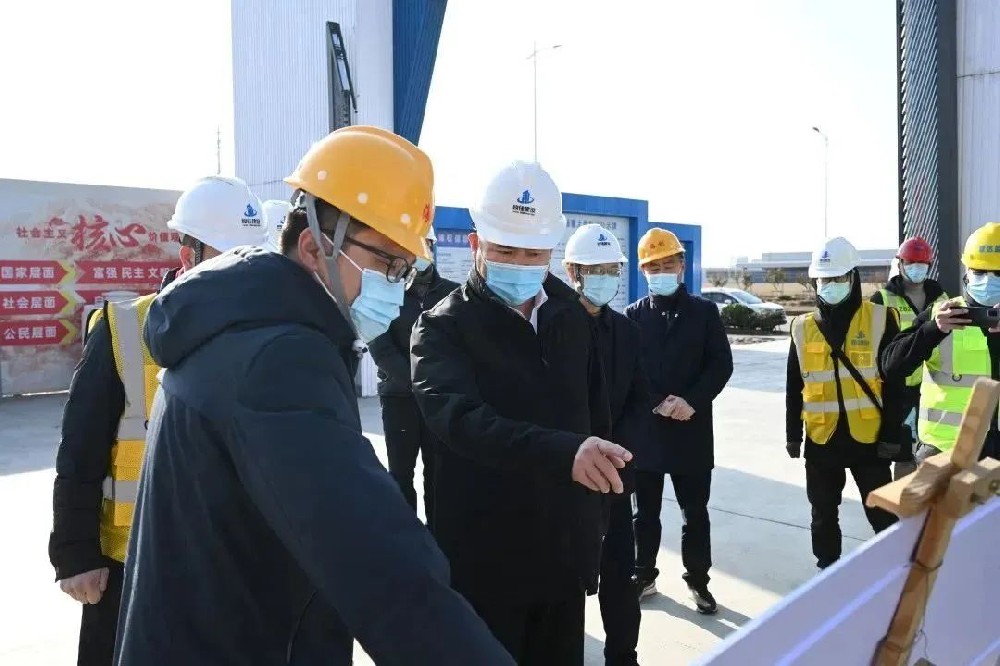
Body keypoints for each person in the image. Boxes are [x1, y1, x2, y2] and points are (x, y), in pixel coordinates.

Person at [113, 126, 513, 666]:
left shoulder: (242, 329)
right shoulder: (277, 362)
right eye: (387, 264)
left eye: (405, 270)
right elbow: (381, 565)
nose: (396, 288)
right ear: (314, 247)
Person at [410, 160, 633, 664]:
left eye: (533, 253)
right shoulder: (442, 328)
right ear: (475, 244)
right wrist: (564, 453)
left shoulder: (570, 316)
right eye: (505, 250)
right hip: (486, 557)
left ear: (552, 249)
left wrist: (596, 517)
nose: (520, 263)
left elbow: (594, 414)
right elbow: (460, 421)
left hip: (563, 552)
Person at [48, 175, 265, 666]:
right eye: (229, 257)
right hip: (129, 565)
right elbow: (80, 448)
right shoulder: (124, 326)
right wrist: (76, 554)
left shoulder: (264, 336)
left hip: (227, 565)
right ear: (188, 255)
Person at [626, 227, 733, 615]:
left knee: (695, 515)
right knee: (644, 515)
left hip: (692, 430)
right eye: (653, 267)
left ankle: (698, 581)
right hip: (647, 433)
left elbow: (720, 364)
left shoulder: (704, 313)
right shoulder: (633, 316)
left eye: (667, 264)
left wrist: (692, 401)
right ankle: (643, 575)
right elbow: (630, 371)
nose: (661, 272)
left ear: (682, 266)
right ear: (643, 271)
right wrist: (657, 402)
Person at [786, 237, 902, 571]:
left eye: (837, 278)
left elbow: (895, 386)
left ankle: (896, 572)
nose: (830, 285)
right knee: (823, 514)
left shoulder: (881, 318)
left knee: (883, 513)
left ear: (853, 277)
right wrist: (793, 434)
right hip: (822, 440)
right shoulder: (802, 328)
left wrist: (891, 435)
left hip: (870, 440)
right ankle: (827, 570)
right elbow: (794, 386)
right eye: (823, 279)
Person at [563, 223, 647, 666]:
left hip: (615, 476)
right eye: (595, 269)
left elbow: (638, 398)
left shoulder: (627, 332)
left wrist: (620, 454)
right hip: (565, 475)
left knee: (619, 577)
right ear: (572, 272)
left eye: (611, 269)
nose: (605, 278)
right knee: (564, 583)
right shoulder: (551, 327)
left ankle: (623, 656)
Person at [881, 222, 1000, 464]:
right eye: (979, 272)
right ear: (966, 271)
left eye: (998, 274)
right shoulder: (941, 315)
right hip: (945, 453)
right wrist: (933, 330)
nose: (988, 281)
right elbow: (891, 366)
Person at [368, 225, 458, 524]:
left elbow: (459, 348)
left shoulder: (453, 294)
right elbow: (380, 347)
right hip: (399, 398)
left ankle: (439, 536)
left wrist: (438, 387)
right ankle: (406, 537)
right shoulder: (386, 290)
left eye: (421, 245)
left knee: (439, 473)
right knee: (400, 474)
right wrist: (418, 383)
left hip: (439, 402)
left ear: (431, 248)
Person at [871, 237, 947, 478]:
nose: (916, 268)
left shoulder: (941, 299)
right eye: (910, 263)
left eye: (922, 264)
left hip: (933, 387)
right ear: (900, 264)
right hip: (896, 390)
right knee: (902, 455)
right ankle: (903, 498)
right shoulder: (882, 299)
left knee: (930, 452)